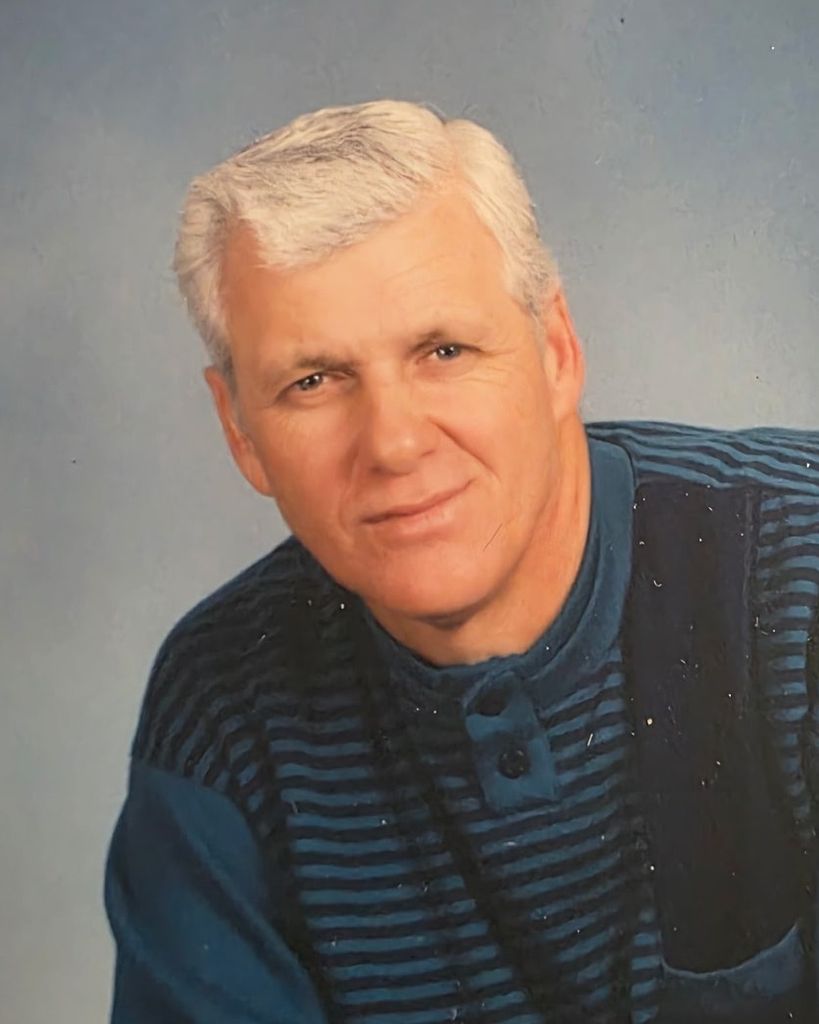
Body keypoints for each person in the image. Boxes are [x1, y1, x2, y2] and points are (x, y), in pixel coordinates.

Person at [104, 100, 819, 1023]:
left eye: (443, 350)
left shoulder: (794, 575)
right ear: (240, 430)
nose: (393, 443)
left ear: (555, 350)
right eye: (312, 381)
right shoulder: (220, 712)